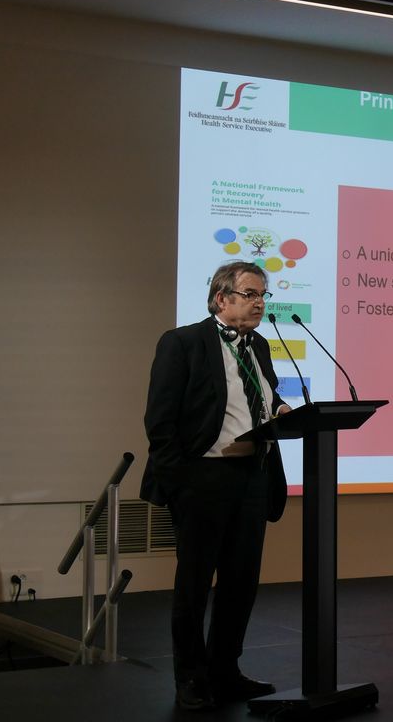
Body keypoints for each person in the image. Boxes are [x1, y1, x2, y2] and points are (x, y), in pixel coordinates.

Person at [141, 261, 291, 711]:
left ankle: (226, 670)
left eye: (263, 294)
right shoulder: (182, 342)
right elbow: (160, 420)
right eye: (250, 294)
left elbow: (259, 398)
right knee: (194, 584)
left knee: (241, 583)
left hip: (252, 477)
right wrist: (180, 482)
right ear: (221, 298)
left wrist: (281, 409)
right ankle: (190, 676)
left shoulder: (259, 345)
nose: (260, 302)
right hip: (202, 479)